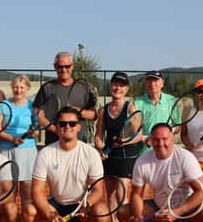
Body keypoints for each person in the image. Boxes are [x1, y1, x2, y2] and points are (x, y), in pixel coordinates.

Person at [127, 123, 203, 222]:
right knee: (124, 212)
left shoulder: (186, 157)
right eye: (156, 140)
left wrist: (176, 212)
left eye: (165, 139)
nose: (160, 143)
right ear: (151, 141)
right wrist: (138, 216)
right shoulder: (141, 161)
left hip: (187, 207)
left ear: (172, 139)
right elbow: (136, 194)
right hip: (159, 207)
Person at [31, 106, 104, 222]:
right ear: (57, 127)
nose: (68, 127)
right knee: (30, 211)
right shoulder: (44, 153)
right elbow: (37, 191)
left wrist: (87, 204)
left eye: (72, 123)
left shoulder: (91, 154)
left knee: (101, 211)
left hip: (81, 205)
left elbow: (98, 189)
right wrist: (48, 213)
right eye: (63, 124)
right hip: (56, 204)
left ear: (79, 127)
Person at [94, 72, 144, 214]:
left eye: (122, 85)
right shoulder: (104, 110)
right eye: (115, 84)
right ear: (111, 86)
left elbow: (139, 135)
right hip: (110, 158)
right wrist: (100, 149)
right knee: (110, 196)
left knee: (121, 196)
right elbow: (98, 135)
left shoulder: (130, 108)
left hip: (126, 158)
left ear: (126, 89)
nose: (118, 88)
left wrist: (125, 141)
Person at [0, 75, 39, 222]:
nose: (18, 90)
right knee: (8, 193)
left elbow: (36, 130)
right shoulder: (3, 105)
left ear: (27, 88)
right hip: (6, 151)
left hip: (27, 151)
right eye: (16, 87)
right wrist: (12, 139)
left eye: (21, 87)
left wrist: (33, 132)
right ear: (12, 87)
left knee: (27, 191)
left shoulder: (32, 106)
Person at [33, 52, 97, 145]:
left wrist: (79, 112)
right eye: (60, 66)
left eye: (67, 66)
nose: (64, 69)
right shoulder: (47, 87)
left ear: (72, 66)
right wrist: (55, 130)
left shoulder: (84, 87)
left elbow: (94, 115)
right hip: (53, 143)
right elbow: (37, 114)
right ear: (55, 67)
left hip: (78, 143)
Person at [133, 70, 179, 145]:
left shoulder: (171, 101)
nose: (152, 83)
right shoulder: (137, 102)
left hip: (166, 150)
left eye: (156, 80)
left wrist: (170, 130)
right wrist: (145, 139)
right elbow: (133, 130)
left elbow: (178, 127)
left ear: (162, 83)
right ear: (145, 83)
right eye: (149, 81)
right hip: (143, 152)